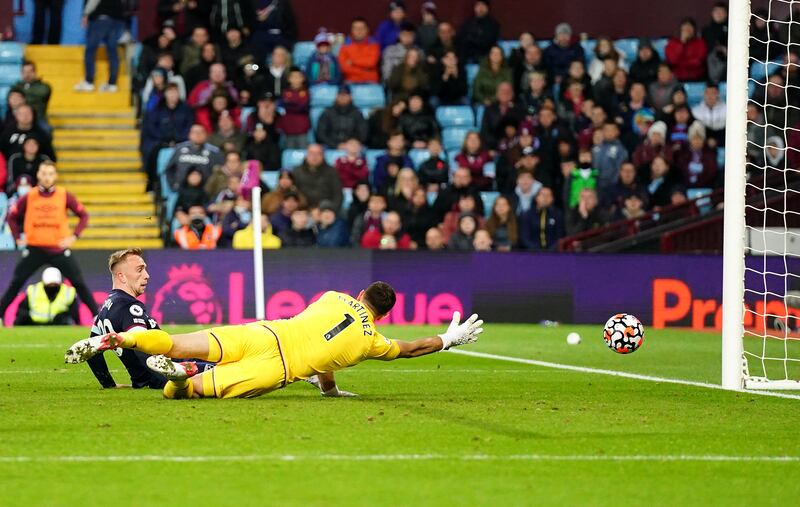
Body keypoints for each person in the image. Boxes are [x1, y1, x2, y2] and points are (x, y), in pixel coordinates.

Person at [66, 282, 484, 399]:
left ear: (360, 295)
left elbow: (325, 338)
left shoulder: (333, 295)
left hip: (263, 331)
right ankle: (178, 378)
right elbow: (406, 350)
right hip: (274, 369)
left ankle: (121, 336)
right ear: (384, 314)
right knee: (185, 393)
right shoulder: (372, 342)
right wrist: (446, 339)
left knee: (173, 341)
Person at [0, 161, 95, 326]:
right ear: (38, 175)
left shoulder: (64, 195)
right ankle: (0, 315)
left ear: (55, 176)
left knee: (79, 283)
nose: (46, 177)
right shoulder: (29, 196)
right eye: (43, 173)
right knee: (16, 282)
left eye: (50, 174)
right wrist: (17, 238)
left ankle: (97, 317)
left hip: (58, 249)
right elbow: (11, 216)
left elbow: (83, 215)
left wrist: (74, 236)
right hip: (35, 248)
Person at [83, 249, 176, 390]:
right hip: (178, 371)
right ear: (122, 277)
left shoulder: (106, 307)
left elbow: (90, 350)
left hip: (150, 379)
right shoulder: (129, 305)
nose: (147, 276)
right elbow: (141, 345)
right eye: (140, 270)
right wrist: (162, 381)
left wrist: (109, 384)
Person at [74, 0, 127, 92]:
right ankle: (112, 84)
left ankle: (89, 82)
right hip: (118, 18)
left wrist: (86, 13)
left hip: (101, 17)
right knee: (112, 50)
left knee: (90, 49)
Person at [165, 124, 223, 191]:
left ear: (206, 135)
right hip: (181, 191)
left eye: (201, 132)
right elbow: (169, 169)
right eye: (195, 132)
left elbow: (220, 173)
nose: (198, 135)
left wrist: (213, 190)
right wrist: (173, 185)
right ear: (189, 134)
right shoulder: (179, 149)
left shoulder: (214, 152)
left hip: (206, 193)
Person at [14, 267, 79, 326]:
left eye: (54, 285)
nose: (52, 287)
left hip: (58, 324)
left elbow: (74, 313)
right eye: (49, 285)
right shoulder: (33, 290)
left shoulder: (68, 292)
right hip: (34, 324)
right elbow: (22, 310)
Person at [291, 144, 342, 209]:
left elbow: (338, 195)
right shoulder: (296, 171)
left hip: (325, 209)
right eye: (311, 153)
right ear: (306, 155)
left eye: (318, 153)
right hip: (302, 210)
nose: (314, 157)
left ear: (323, 156)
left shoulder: (332, 171)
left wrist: (330, 211)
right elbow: (292, 194)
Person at [518, 186, 564, 250]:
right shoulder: (527, 215)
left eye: (548, 195)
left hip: (553, 253)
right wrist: (537, 251)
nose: (545, 198)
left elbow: (560, 236)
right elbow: (524, 238)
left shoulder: (557, 214)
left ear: (552, 199)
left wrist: (551, 250)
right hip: (532, 253)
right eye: (543, 195)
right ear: (537, 198)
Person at [338, 17, 381, 83]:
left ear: (367, 30)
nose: (359, 31)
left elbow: (371, 63)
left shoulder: (373, 44)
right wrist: (365, 70)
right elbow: (344, 68)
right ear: (352, 30)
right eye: (356, 28)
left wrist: (352, 62)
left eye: (362, 28)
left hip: (370, 82)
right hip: (350, 81)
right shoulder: (345, 45)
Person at [11, 62, 52, 127]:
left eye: (30, 71)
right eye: (25, 72)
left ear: (35, 72)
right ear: (21, 73)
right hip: (18, 118)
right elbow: (10, 98)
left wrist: (22, 96)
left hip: (38, 118)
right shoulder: (16, 86)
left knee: (46, 130)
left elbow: (43, 93)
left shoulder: (44, 86)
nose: (27, 74)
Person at [702, 2, 728, 84]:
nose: (719, 14)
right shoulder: (706, 30)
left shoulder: (732, 29)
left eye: (721, 12)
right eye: (716, 12)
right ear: (712, 13)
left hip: (727, 62)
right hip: (709, 64)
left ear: (726, 14)